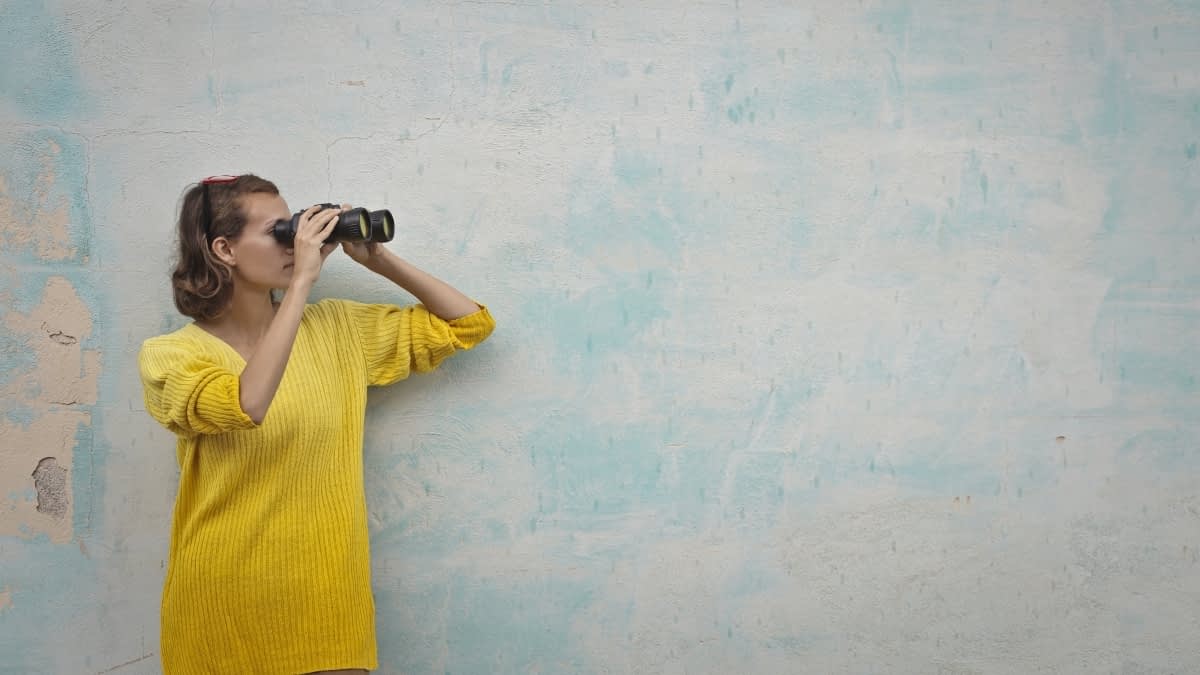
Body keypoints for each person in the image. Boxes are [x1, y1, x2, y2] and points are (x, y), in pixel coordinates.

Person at [137, 174, 495, 674]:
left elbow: (468, 323)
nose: (296, 241)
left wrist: (378, 259)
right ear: (225, 249)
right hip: (222, 608)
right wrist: (302, 280)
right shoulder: (171, 357)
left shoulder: (338, 330)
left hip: (327, 606)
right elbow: (246, 404)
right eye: (279, 231)